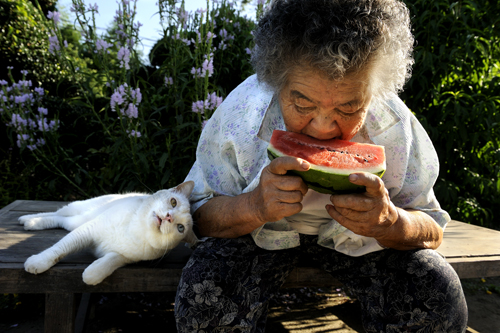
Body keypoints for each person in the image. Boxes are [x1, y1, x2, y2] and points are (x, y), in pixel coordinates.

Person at [175, 0, 468, 331]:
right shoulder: (241, 117)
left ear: (375, 93)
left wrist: (391, 222)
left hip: (364, 245)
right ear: (275, 82)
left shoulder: (395, 127)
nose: (323, 128)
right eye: (302, 103)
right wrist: (253, 206)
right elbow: (196, 217)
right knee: (205, 302)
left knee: (435, 295)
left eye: (349, 107)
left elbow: (431, 227)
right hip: (254, 237)